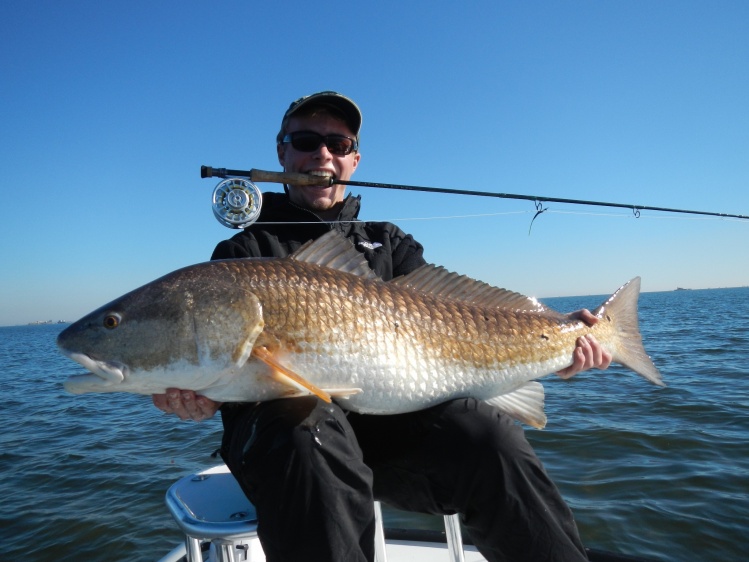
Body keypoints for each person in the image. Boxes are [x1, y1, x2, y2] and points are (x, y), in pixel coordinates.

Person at [153, 91, 612, 562]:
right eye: (307, 140)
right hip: (285, 448)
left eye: (338, 143)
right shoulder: (242, 254)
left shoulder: (390, 242)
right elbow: (215, 370)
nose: (322, 154)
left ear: (354, 159)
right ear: (281, 152)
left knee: (490, 437)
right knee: (307, 434)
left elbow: (460, 326)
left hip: (389, 432)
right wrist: (197, 395)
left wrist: (557, 343)